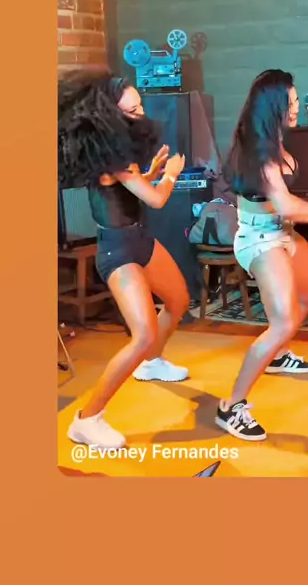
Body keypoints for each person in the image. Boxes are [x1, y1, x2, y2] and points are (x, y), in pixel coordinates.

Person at [216, 69, 308, 441]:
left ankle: (278, 354)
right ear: (273, 106)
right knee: (281, 322)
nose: (296, 108)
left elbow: (287, 207)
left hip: (283, 231)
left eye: (296, 101)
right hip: (260, 239)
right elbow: (287, 205)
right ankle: (231, 406)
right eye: (290, 103)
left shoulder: (273, 139)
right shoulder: (259, 154)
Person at [58, 70, 191, 450]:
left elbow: (131, 187)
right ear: (108, 116)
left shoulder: (116, 157)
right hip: (118, 251)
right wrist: (171, 175)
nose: (141, 114)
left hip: (139, 239)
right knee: (143, 333)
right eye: (132, 111)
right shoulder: (112, 159)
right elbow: (156, 199)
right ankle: (86, 420)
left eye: (140, 107)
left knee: (178, 301)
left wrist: (152, 172)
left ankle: (151, 363)